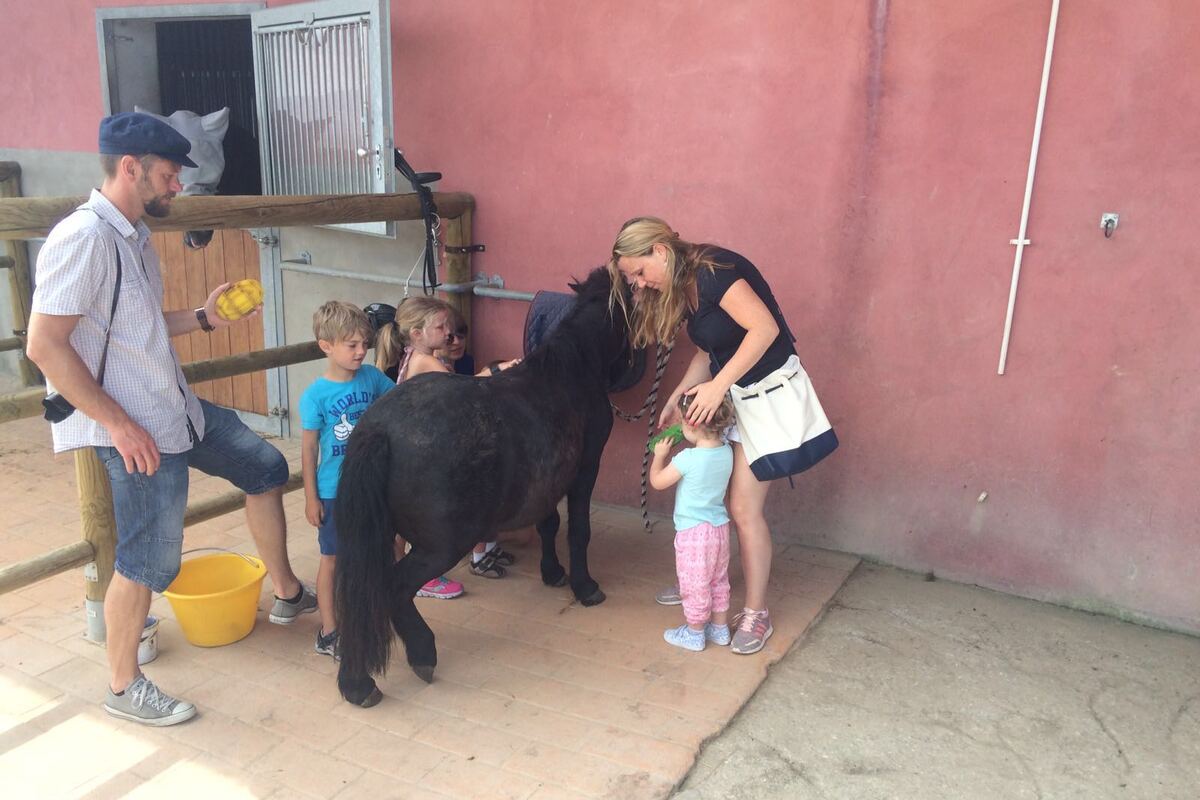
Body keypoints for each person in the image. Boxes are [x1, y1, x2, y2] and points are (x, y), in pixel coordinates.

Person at [26, 112, 315, 726]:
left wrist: (203, 318)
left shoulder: (131, 234)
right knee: (149, 560)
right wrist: (119, 426)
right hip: (135, 428)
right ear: (130, 169)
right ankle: (124, 685)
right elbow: (45, 345)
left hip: (173, 408)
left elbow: (138, 327)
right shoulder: (83, 238)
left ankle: (287, 594)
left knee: (264, 465)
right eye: (168, 174)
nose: (177, 187)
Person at [608, 216, 798, 655]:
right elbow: (710, 346)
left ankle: (756, 613)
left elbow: (764, 329)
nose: (640, 283)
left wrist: (714, 387)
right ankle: (701, 582)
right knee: (718, 500)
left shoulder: (715, 272)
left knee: (743, 508)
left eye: (639, 271)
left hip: (765, 394)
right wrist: (679, 393)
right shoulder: (688, 282)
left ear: (660, 250)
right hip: (735, 393)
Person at [376, 296, 521, 581]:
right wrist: (497, 371)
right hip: (416, 448)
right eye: (441, 327)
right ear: (418, 333)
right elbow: (462, 390)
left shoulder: (415, 355)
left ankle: (410, 572)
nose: (448, 333)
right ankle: (416, 576)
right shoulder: (426, 361)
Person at [300, 301, 396, 660]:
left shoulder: (372, 378)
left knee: (372, 552)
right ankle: (329, 631)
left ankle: (368, 618)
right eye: (351, 345)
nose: (360, 352)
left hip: (371, 486)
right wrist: (311, 498)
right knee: (333, 560)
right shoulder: (314, 396)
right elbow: (309, 451)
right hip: (333, 492)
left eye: (364, 345)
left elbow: (397, 401)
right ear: (326, 345)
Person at [649, 394, 736, 651]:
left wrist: (659, 455)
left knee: (694, 583)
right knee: (718, 579)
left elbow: (658, 481)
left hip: (693, 533)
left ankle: (695, 632)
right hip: (719, 529)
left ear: (692, 425)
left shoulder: (687, 458)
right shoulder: (727, 451)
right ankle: (720, 629)